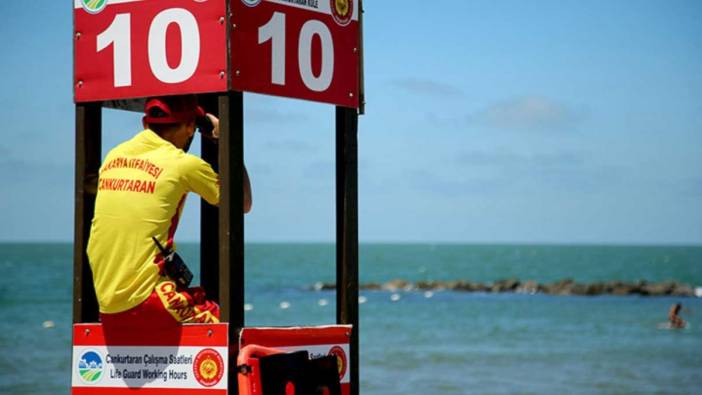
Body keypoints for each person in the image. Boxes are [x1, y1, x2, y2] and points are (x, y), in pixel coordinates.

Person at [87, 94, 251, 329]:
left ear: (145, 124)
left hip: (106, 302)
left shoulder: (114, 156)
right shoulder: (183, 164)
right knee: (228, 327)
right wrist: (226, 141)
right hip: (147, 299)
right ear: (190, 127)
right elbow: (243, 203)